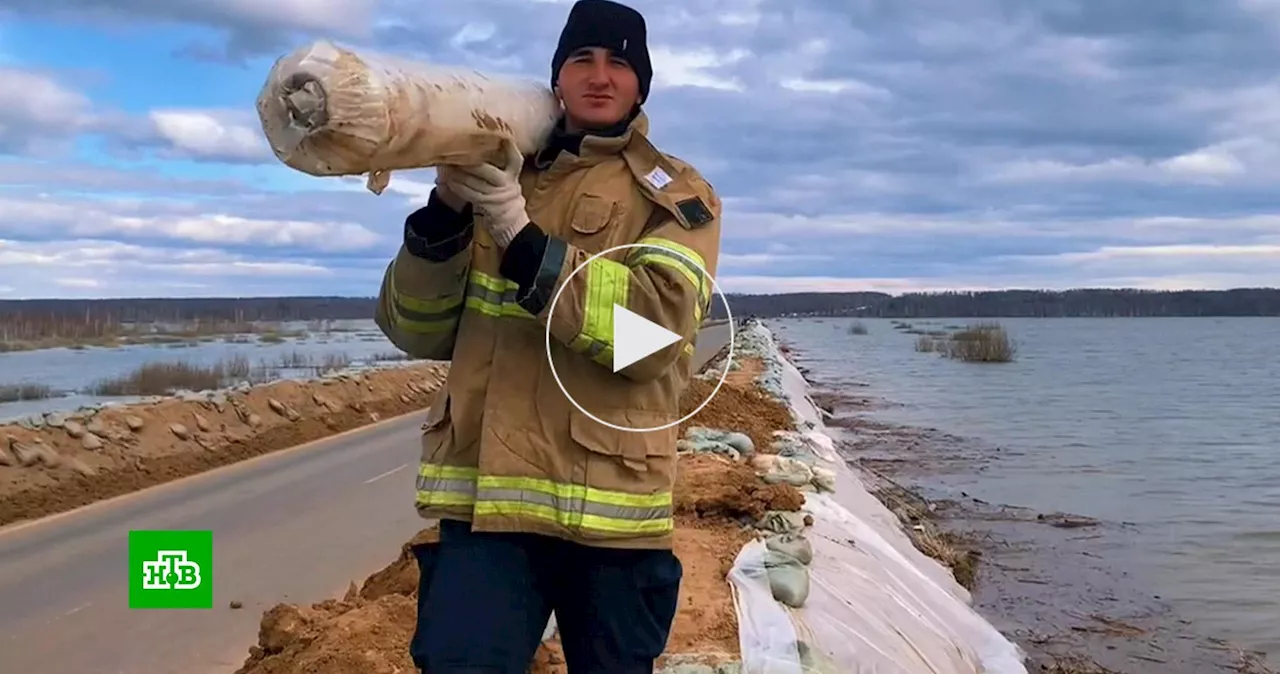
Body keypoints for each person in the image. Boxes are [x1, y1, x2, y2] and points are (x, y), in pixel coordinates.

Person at [372, 1, 723, 672]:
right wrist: (444, 214)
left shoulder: (675, 196)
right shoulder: (497, 171)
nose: (599, 76)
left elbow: (649, 338)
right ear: (557, 79)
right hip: (491, 509)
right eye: (580, 60)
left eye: (619, 63)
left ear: (640, 85)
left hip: (610, 517)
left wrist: (520, 235)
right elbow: (411, 329)